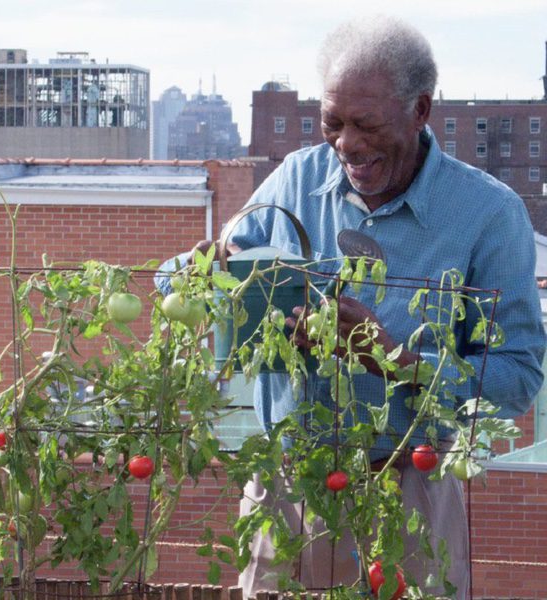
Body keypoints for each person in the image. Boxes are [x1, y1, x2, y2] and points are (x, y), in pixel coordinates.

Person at [157, 15, 545, 599]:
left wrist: (394, 360)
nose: (346, 144)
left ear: (420, 110)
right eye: (331, 123)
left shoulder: (488, 213)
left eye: (366, 124)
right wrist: (197, 274)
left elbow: (518, 377)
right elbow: (172, 281)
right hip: (288, 484)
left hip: (411, 482)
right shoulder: (295, 179)